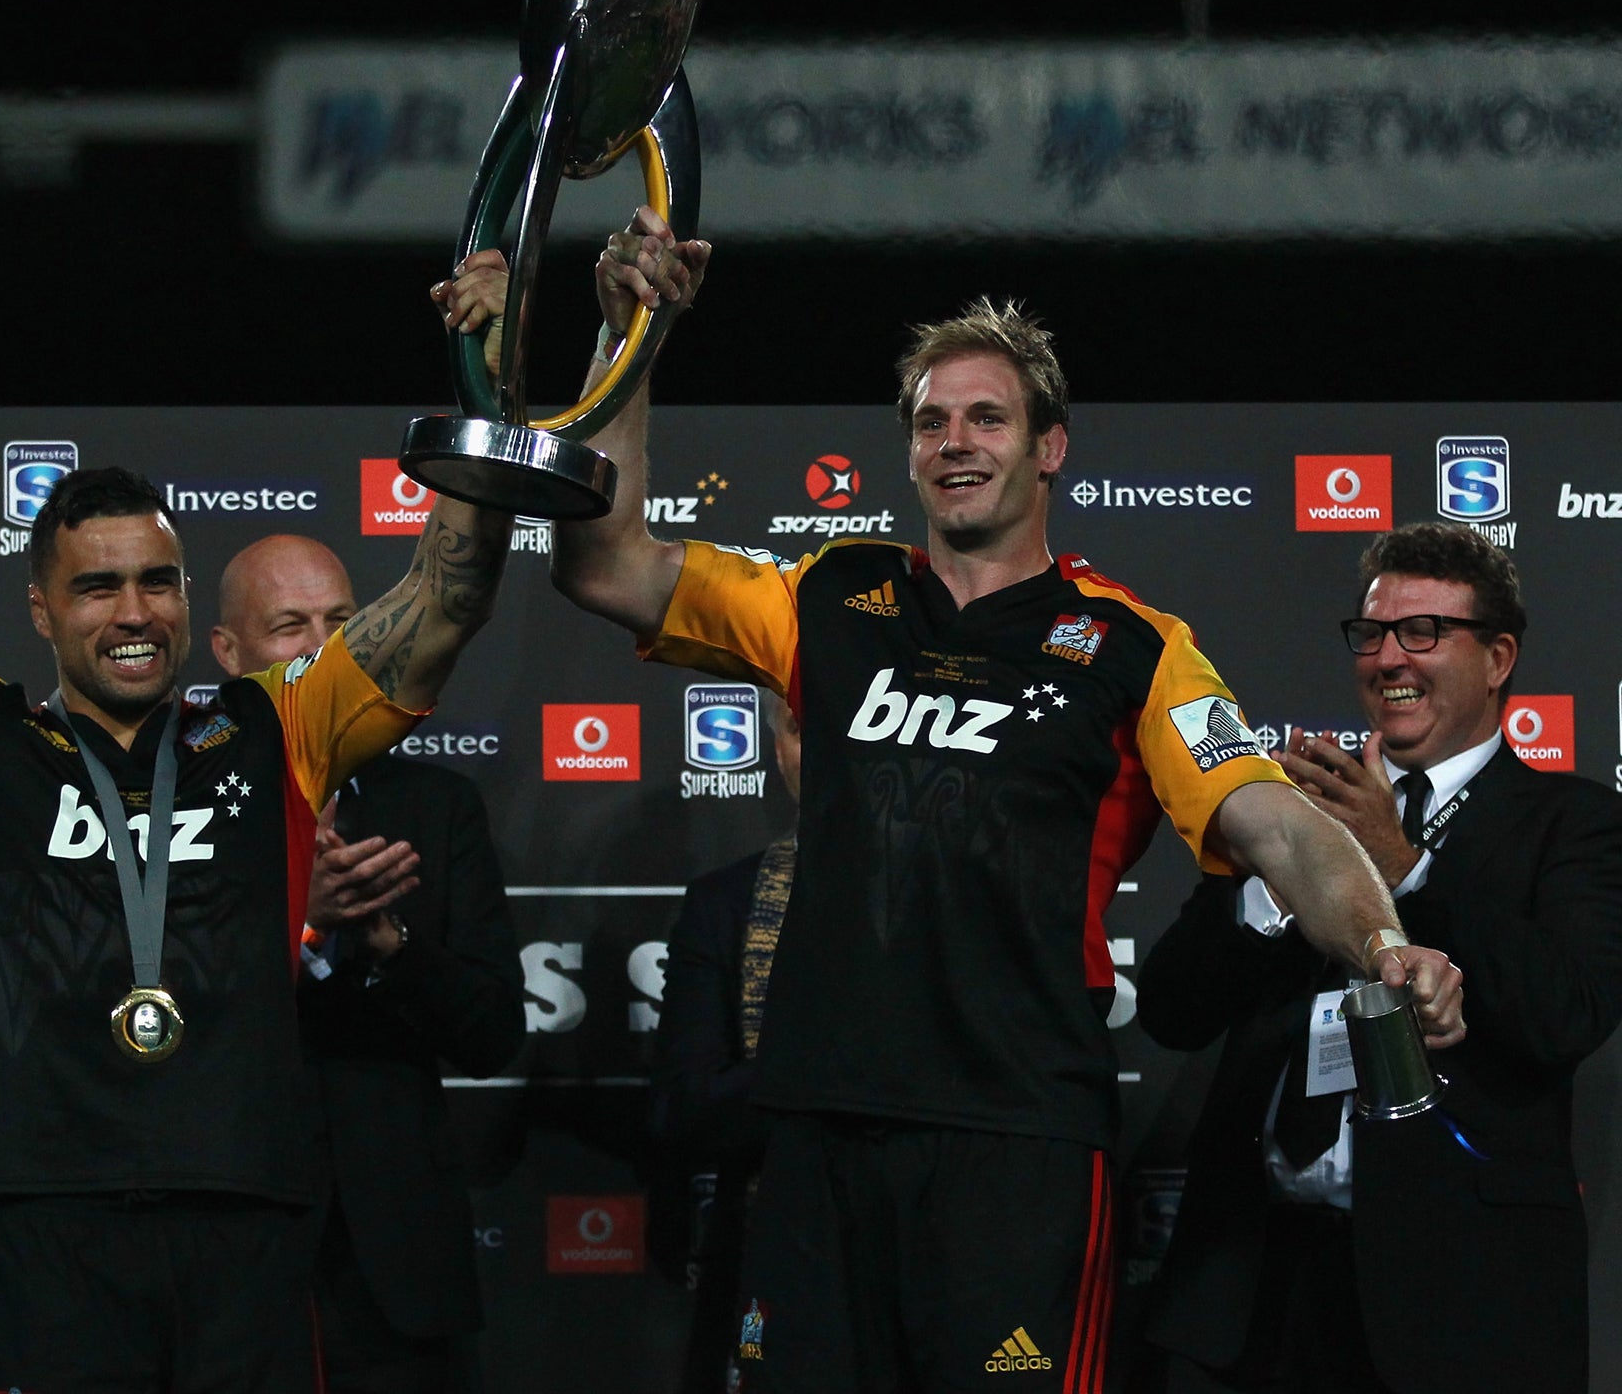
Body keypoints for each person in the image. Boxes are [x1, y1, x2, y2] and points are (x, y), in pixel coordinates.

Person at [442, 210, 1466, 1392]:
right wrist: (632, 337)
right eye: (930, 421)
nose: (954, 441)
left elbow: (1277, 824)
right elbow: (601, 562)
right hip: (820, 1133)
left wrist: (1383, 945)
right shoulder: (830, 597)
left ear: (1048, 448)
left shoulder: (1132, 647)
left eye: (986, 416)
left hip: (1016, 1146)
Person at [0, 181, 511, 1393]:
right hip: (41, 1220)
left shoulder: (276, 727)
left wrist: (483, 373)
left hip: (245, 1214)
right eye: (97, 587)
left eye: (157, 582)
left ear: (188, 599)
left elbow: (446, 596)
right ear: (42, 608)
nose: (133, 612)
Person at [1140, 523, 1622, 1394]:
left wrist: (1406, 865)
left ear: (1499, 656)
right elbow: (1173, 1008)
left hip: (1457, 1301)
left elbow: (1566, 1012)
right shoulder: (1293, 812)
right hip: (1259, 1288)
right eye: (1373, 634)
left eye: (1424, 632)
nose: (1390, 657)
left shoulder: (1574, 823)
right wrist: (1283, 880)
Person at [212, 533, 524, 1394]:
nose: (322, 649)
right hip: (230, 1264)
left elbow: (495, 1034)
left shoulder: (437, 806)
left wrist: (392, 946)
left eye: (341, 623)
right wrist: (297, 930)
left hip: (399, 1280)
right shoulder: (176, 807)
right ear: (229, 655)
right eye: (288, 626)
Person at [649, 694, 800, 1394]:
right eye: (801, 729)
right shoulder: (725, 904)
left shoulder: (966, 892)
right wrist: (831, 1056)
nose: (822, 749)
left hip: (936, 1262)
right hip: (768, 1270)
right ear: (776, 747)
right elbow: (687, 1109)